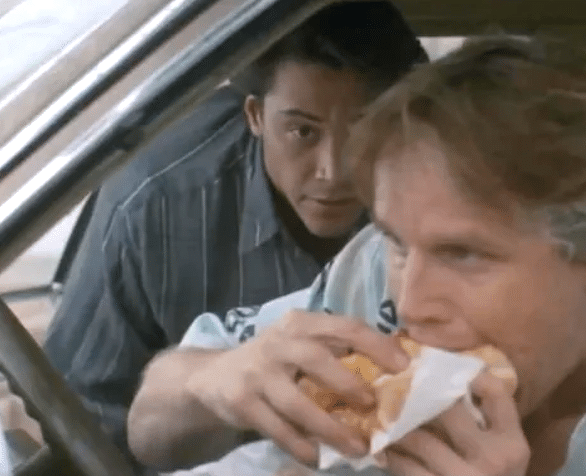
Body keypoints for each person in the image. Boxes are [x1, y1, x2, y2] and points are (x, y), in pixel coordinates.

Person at [128, 35, 586, 476]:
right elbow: (149, 428)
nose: (412, 302)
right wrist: (210, 384)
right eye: (397, 240)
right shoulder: (376, 270)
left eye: (466, 255)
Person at [42, 0, 427, 460]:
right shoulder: (155, 201)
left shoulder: (431, 205)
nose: (333, 170)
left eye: (365, 130)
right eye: (304, 132)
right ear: (256, 117)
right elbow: (78, 417)